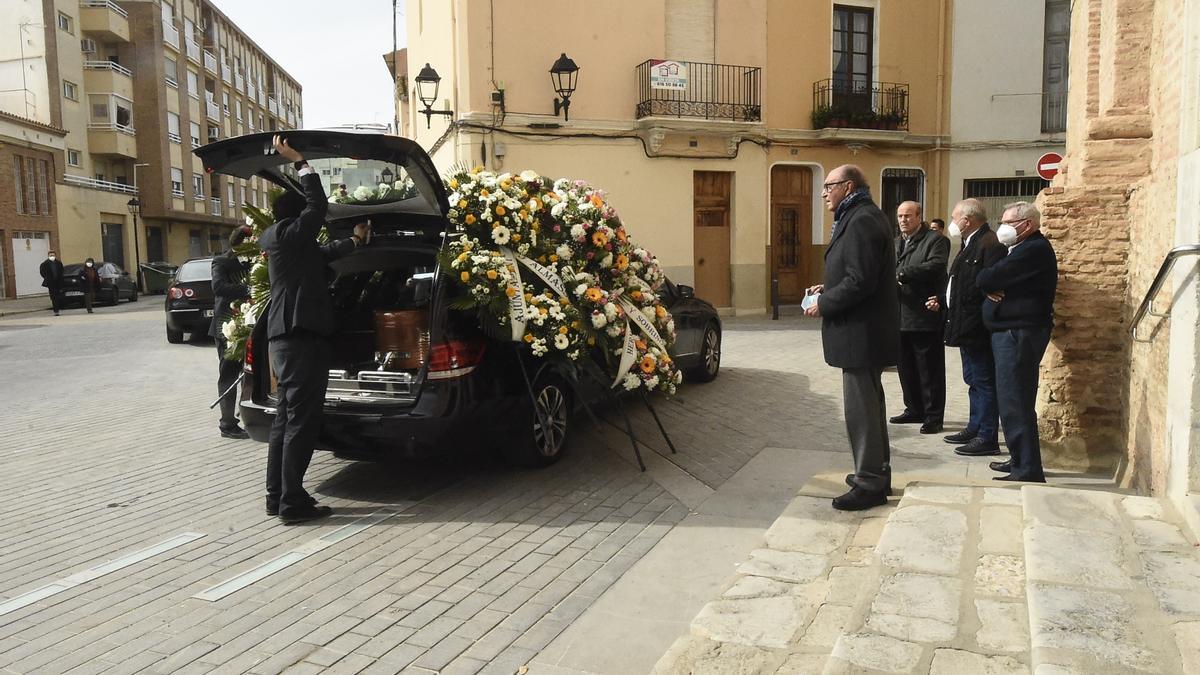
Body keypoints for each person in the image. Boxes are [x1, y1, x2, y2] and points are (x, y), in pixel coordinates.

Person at [259, 135, 370, 524]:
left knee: (285, 419)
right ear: (295, 219)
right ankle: (293, 504)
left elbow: (324, 254)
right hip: (301, 337)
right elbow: (318, 206)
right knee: (301, 424)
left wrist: (354, 243)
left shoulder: (281, 242)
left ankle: (276, 497)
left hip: (282, 339)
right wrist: (301, 162)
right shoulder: (293, 233)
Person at [804, 165, 900, 511]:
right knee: (869, 408)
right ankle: (876, 473)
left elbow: (861, 281)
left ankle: (869, 483)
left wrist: (824, 303)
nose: (824, 193)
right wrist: (828, 287)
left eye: (828, 186)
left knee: (861, 411)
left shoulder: (860, 220)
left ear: (847, 186)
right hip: (863, 333)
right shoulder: (860, 215)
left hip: (861, 334)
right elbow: (858, 273)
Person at [976, 201, 1057, 482]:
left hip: (1019, 333)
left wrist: (989, 284)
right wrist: (990, 287)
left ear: (1027, 225)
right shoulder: (1019, 249)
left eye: (1009, 223)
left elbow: (988, 275)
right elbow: (990, 278)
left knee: (1016, 400)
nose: (1003, 228)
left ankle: (1027, 468)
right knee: (1010, 398)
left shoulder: (1033, 249)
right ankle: (1019, 457)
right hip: (1011, 331)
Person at [926, 199, 1007, 457]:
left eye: (954, 217)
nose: (952, 223)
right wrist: (943, 299)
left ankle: (987, 436)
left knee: (984, 381)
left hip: (977, 325)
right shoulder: (970, 242)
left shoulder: (989, 243)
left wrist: (988, 290)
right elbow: (959, 281)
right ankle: (974, 426)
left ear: (967, 220)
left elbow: (989, 281)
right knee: (972, 379)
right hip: (962, 322)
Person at [891, 201, 950, 434]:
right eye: (900, 216)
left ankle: (933, 416)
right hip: (900, 315)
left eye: (908, 216)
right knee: (906, 367)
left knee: (929, 369)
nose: (903, 220)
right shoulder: (896, 242)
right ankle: (913, 408)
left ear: (919, 217)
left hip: (924, 314)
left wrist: (903, 273)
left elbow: (935, 266)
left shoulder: (935, 241)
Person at [211, 226, 253, 440]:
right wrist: (248, 290)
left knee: (250, 373)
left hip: (251, 322)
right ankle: (227, 423)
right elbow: (219, 287)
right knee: (228, 373)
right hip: (227, 326)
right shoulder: (221, 261)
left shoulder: (255, 261)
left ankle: (251, 416)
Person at [40, 250, 65, 316]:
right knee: (53, 297)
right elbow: (42, 272)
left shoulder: (59, 263)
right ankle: (56, 311)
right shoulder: (45, 263)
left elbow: (62, 271)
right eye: (51, 255)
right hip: (51, 283)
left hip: (58, 282)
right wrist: (47, 278)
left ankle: (58, 308)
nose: (52, 256)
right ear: (48, 256)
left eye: (53, 255)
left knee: (58, 296)